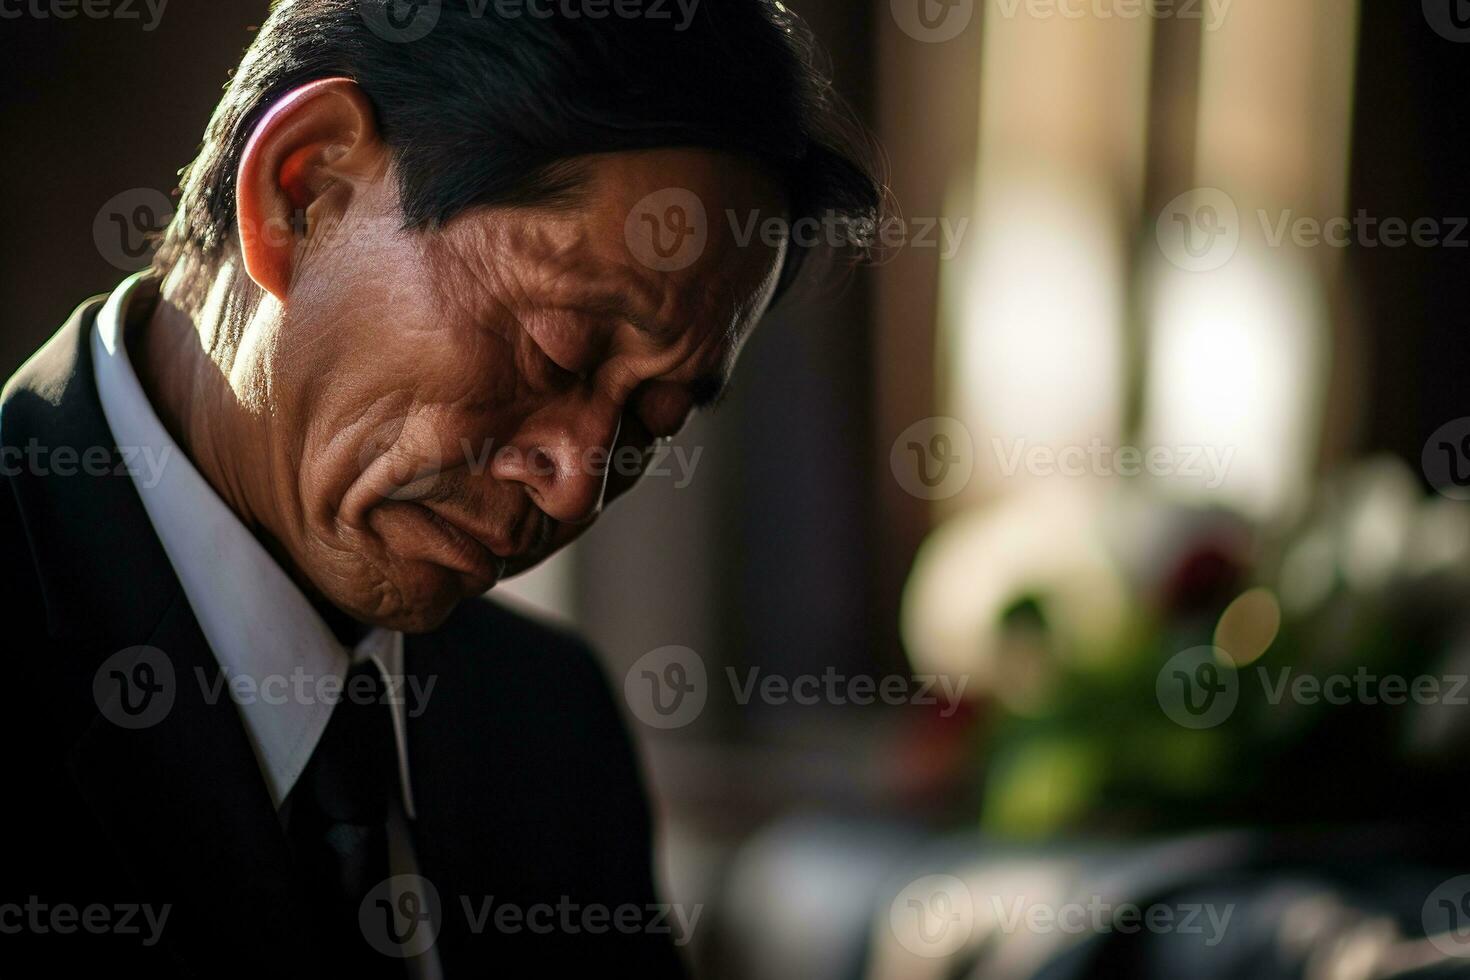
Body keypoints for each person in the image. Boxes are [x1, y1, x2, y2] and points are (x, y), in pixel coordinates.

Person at [0, 1, 879, 975]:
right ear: (307, 189)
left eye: (652, 418)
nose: (579, 482)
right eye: (557, 350)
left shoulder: (545, 724)